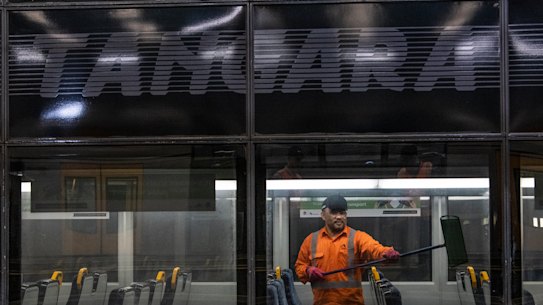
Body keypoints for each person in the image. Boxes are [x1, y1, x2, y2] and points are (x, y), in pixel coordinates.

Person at [295, 195, 400, 305]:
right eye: (334, 213)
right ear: (323, 215)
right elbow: (299, 266)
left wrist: (386, 253)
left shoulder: (357, 237)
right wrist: (308, 270)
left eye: (342, 213)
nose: (339, 217)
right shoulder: (311, 240)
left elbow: (373, 248)